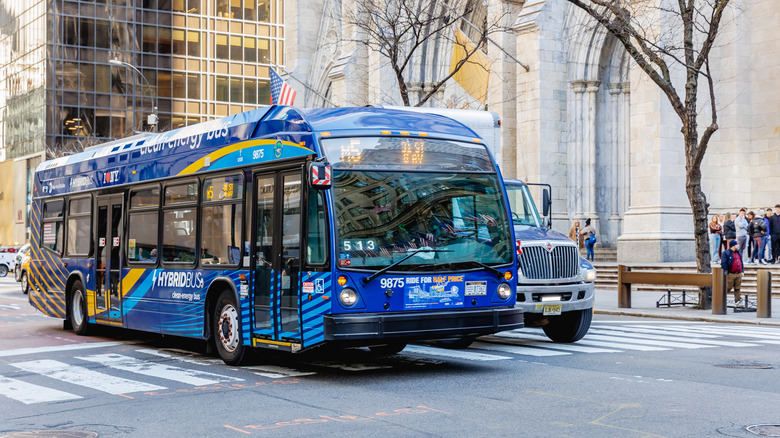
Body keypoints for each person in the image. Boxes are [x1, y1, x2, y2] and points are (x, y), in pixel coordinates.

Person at [721, 239, 744, 307]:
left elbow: (741, 262)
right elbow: (723, 263)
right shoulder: (726, 253)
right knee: (727, 288)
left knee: (737, 289)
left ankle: (738, 302)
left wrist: (742, 271)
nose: (738, 246)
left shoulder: (738, 252)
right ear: (733, 246)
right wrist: (727, 272)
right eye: (737, 244)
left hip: (738, 273)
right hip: (731, 274)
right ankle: (720, 301)